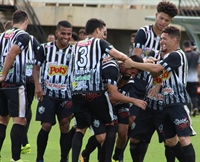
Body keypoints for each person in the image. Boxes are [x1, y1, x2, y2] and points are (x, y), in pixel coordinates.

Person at [70, 18, 146, 162]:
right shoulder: (99, 43)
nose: (104, 36)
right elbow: (118, 55)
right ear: (97, 30)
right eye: (103, 32)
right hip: (95, 91)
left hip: (77, 91)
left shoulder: (76, 45)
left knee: (80, 128)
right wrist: (130, 61)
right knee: (110, 124)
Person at [125, 25, 196, 162]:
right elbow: (156, 71)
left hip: (175, 102)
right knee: (136, 137)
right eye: (160, 39)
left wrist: (133, 63)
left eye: (164, 39)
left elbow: (158, 68)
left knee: (179, 139)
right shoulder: (155, 54)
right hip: (151, 103)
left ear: (174, 40)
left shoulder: (177, 55)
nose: (161, 41)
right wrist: (157, 80)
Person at [127, 1, 178, 162]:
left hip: (161, 88)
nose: (163, 22)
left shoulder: (170, 37)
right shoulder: (144, 32)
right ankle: (120, 155)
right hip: (140, 83)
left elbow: (169, 65)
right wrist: (145, 61)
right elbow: (136, 56)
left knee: (169, 137)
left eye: (167, 20)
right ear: (156, 16)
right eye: (161, 18)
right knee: (133, 123)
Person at [33, 20, 74, 162]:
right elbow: (36, 68)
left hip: (66, 96)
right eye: (63, 33)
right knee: (46, 125)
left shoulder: (74, 51)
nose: (66, 36)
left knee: (65, 125)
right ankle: (39, 158)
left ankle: (64, 159)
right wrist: (37, 85)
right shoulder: (45, 48)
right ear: (57, 33)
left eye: (69, 34)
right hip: (48, 94)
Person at [0, 10, 29, 162]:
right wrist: (4, 74)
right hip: (15, 83)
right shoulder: (23, 36)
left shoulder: (2, 35)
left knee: (2, 120)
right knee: (19, 121)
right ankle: (16, 159)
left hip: (2, 86)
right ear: (26, 22)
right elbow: (12, 54)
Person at [21, 35, 40, 154]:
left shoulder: (4, 38)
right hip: (28, 78)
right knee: (25, 108)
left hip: (16, 79)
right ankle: (23, 141)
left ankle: (23, 141)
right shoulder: (31, 38)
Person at [182, 40, 200, 116]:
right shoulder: (197, 54)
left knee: (186, 96)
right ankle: (196, 107)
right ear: (190, 46)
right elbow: (198, 66)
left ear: (183, 47)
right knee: (193, 96)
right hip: (194, 79)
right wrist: (199, 76)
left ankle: (188, 110)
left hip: (185, 79)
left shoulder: (183, 55)